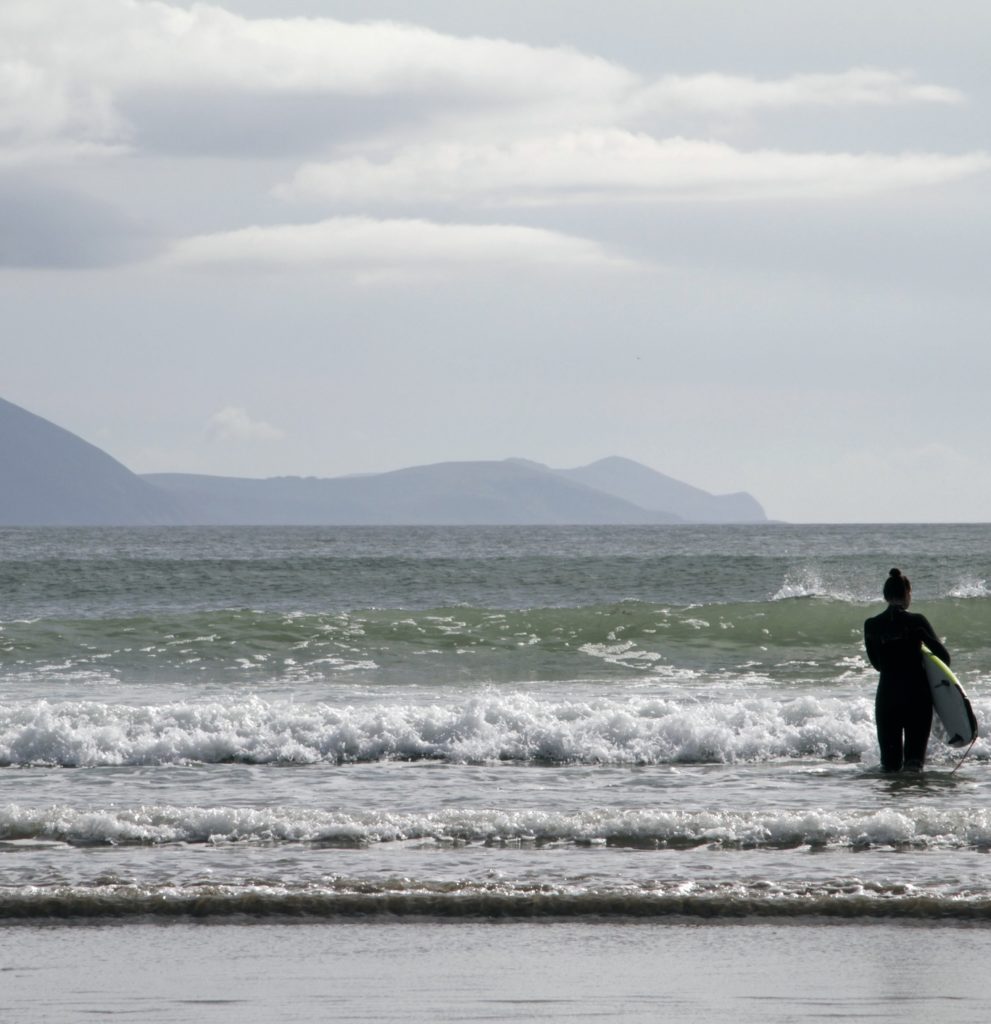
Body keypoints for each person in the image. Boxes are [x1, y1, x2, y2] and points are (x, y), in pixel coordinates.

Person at [864, 568, 949, 772]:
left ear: (885, 596)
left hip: (887, 699)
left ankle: (890, 803)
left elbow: (877, 665)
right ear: (908, 594)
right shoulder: (916, 621)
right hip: (916, 699)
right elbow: (945, 659)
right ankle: (912, 802)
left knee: (890, 766)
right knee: (914, 765)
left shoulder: (871, 625)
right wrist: (924, 639)